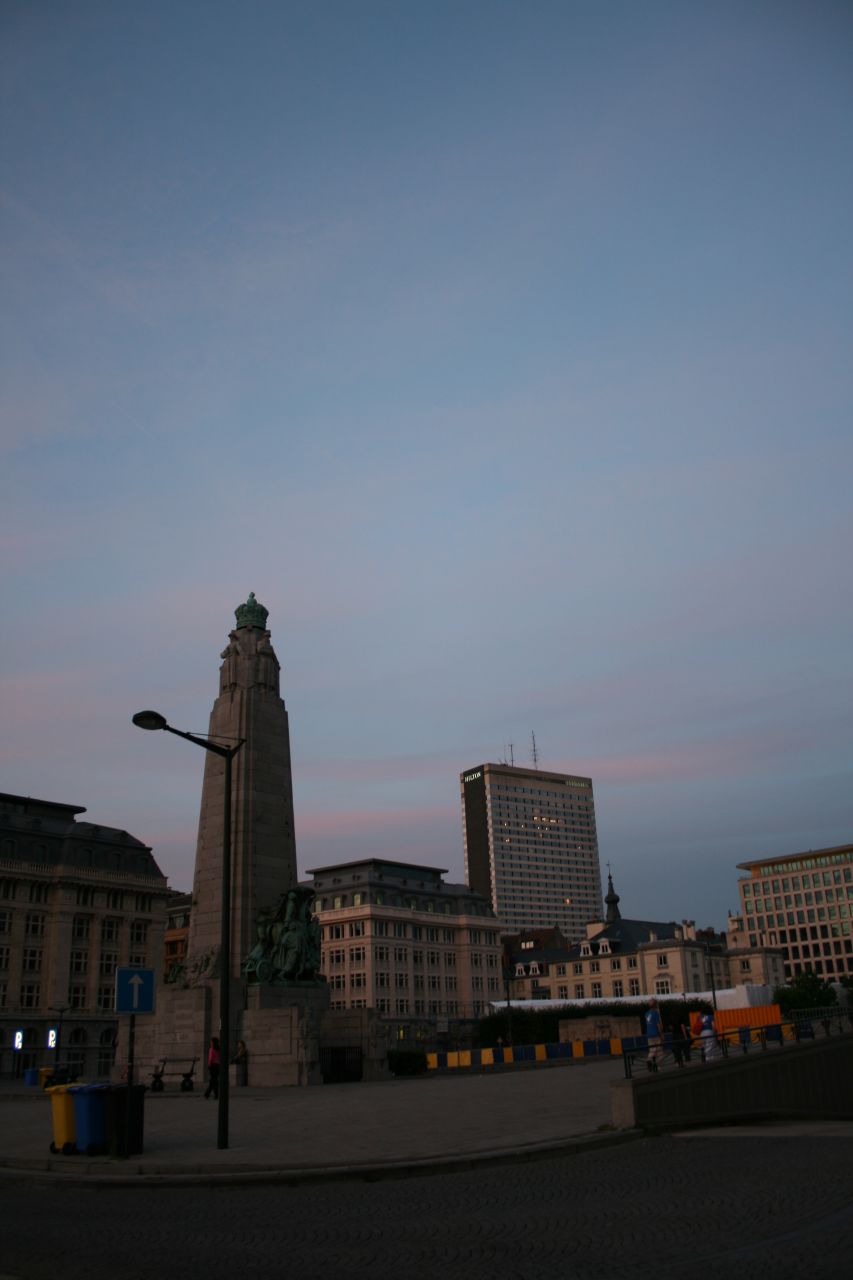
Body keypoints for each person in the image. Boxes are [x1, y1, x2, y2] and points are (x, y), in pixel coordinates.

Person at [644, 999, 664, 1072]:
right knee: (659, 1051)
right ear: (655, 1005)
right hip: (656, 1034)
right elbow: (658, 1025)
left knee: (652, 1050)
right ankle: (659, 1067)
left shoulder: (646, 1014)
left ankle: (649, 1059)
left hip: (649, 1035)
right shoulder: (655, 1013)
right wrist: (661, 1034)